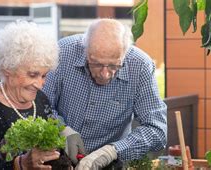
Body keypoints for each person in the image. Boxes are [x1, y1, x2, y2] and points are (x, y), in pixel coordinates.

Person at [43, 18, 168, 169]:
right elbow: (40, 106)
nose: (105, 74)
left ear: (125, 53)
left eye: (114, 65)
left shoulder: (140, 66)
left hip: (110, 165)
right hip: (56, 161)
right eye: (96, 64)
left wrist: (113, 151)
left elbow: (156, 130)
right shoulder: (62, 54)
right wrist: (61, 129)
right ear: (85, 49)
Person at [0, 20, 61, 169]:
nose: (40, 84)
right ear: (8, 69)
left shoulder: (41, 99)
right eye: (33, 75)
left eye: (44, 75)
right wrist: (19, 164)